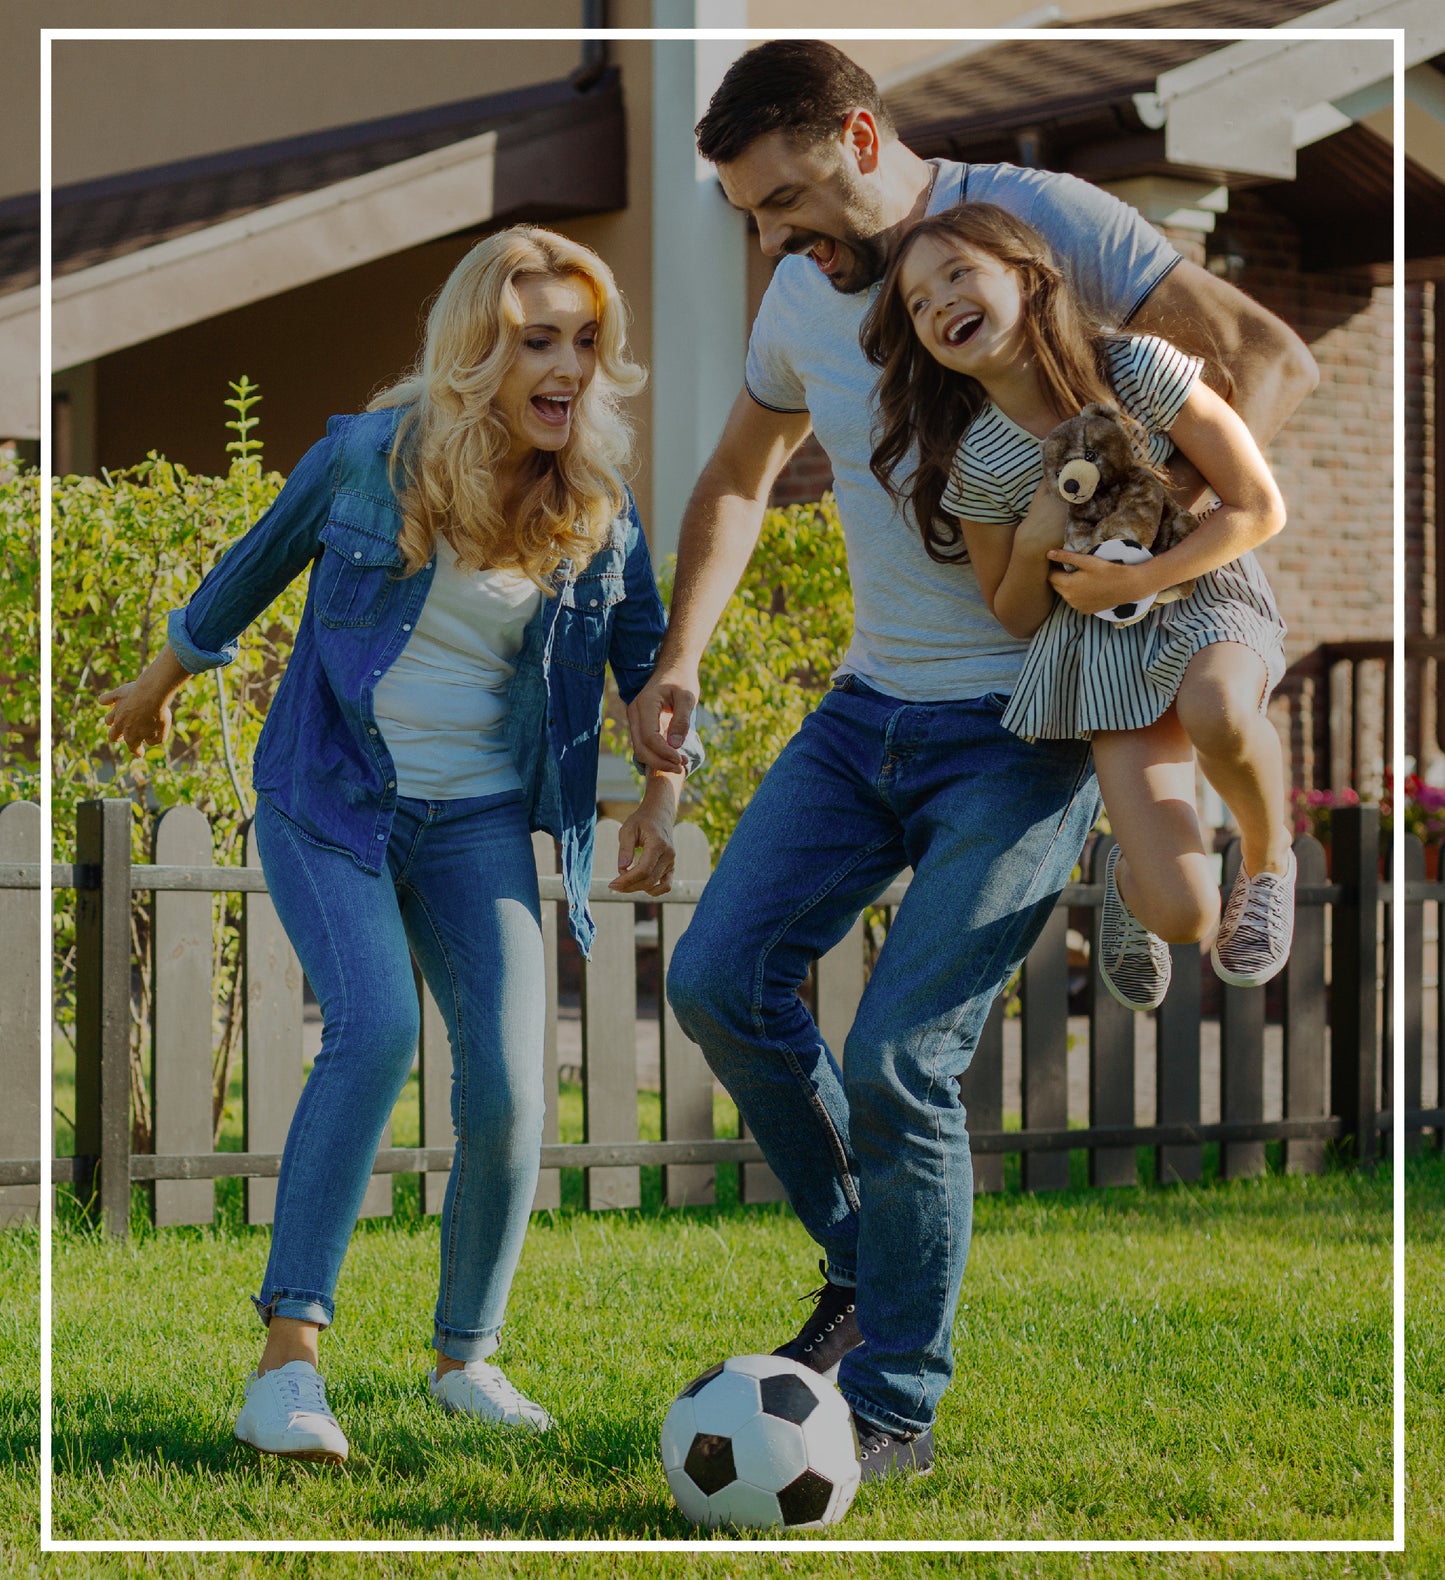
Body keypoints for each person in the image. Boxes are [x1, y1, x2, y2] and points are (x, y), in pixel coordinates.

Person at [632, 40, 1316, 1481]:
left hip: (1029, 725)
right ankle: (869, 1267)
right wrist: (680, 656)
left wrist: (1139, 554)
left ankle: (891, 1405)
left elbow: (1264, 359)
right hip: (867, 708)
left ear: (861, 137)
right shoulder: (801, 293)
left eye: (787, 198)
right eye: (751, 214)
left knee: (900, 1060)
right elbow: (741, 478)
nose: (771, 237)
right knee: (715, 983)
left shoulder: (1046, 223)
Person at [99, 226, 699, 1464]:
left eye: (587, 343)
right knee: (371, 1029)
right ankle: (286, 1369)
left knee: (513, 1084)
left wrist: (660, 794)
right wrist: (156, 684)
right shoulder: (368, 458)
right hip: (333, 797)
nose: (568, 367)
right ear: (477, 348)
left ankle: (464, 1358)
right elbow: (246, 571)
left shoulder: (594, 503)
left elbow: (649, 666)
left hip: (477, 819)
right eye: (539, 340)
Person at [863, 202, 1294, 1008]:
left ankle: (1270, 862)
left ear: (1027, 278)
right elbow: (1016, 615)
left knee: (1217, 708)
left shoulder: (1134, 369)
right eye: (917, 303)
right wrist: (1031, 544)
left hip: (1202, 599)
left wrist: (1140, 577)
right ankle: (1132, 882)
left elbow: (1256, 507)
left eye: (957, 273)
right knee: (1182, 913)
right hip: (1101, 654)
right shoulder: (982, 463)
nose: (937, 303)